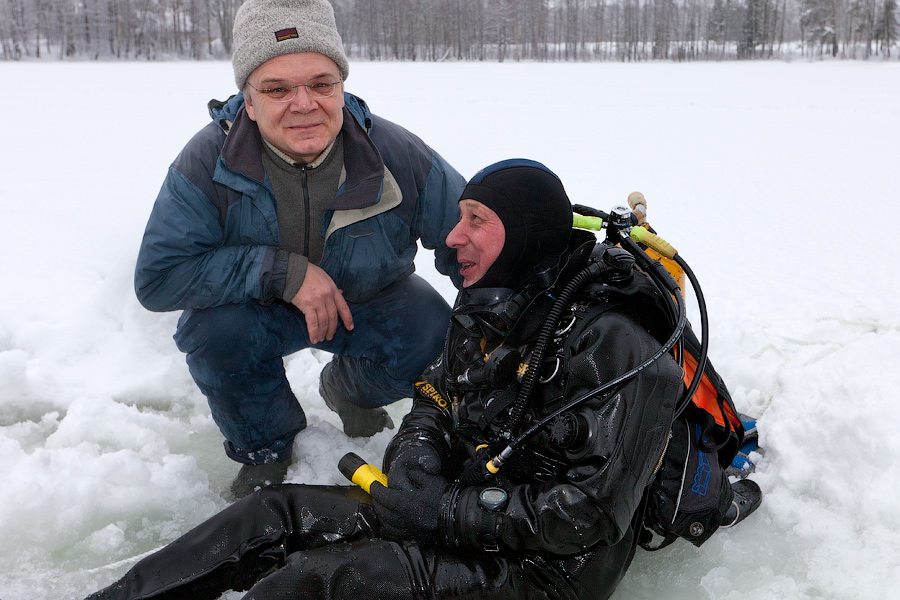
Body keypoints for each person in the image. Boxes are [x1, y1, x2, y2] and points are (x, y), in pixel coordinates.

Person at [93, 160, 761, 600]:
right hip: (465, 512)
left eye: (477, 221)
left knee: (323, 583)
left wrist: (441, 512)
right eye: (460, 215)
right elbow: (435, 398)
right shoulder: (491, 304)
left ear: (524, 234)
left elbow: (590, 515)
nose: (454, 236)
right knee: (267, 516)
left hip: (551, 569)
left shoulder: (618, 347)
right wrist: (416, 461)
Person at [133, 0, 466, 496]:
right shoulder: (207, 163)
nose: (304, 103)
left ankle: (348, 391)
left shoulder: (395, 153)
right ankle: (267, 448)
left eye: (320, 83)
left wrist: (517, 312)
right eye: (277, 89)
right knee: (214, 333)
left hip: (369, 301)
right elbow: (158, 278)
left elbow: (469, 240)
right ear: (247, 100)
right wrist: (280, 273)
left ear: (341, 86)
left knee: (439, 336)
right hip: (254, 312)